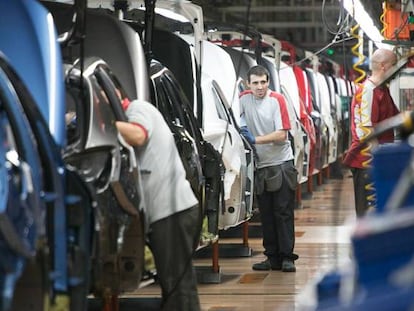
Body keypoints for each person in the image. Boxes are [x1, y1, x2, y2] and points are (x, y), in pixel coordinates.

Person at [115, 98, 201, 311]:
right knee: (177, 283)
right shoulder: (131, 114)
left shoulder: (138, 109)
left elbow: (138, 135)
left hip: (173, 211)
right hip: (171, 212)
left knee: (177, 286)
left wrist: (105, 122)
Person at [239, 65, 298, 272]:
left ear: (268, 82)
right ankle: (271, 257)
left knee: (282, 212)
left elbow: (282, 134)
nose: (260, 87)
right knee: (266, 214)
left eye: (263, 82)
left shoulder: (276, 100)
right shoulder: (243, 99)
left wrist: (255, 139)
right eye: (255, 83)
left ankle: (287, 257)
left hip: (281, 163)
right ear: (248, 84)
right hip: (261, 166)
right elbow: (236, 118)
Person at [343, 48, 399, 218]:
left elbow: (395, 119)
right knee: (367, 215)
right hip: (366, 161)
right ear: (383, 66)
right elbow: (367, 133)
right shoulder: (369, 91)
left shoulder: (382, 89)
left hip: (376, 159)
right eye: (394, 65)